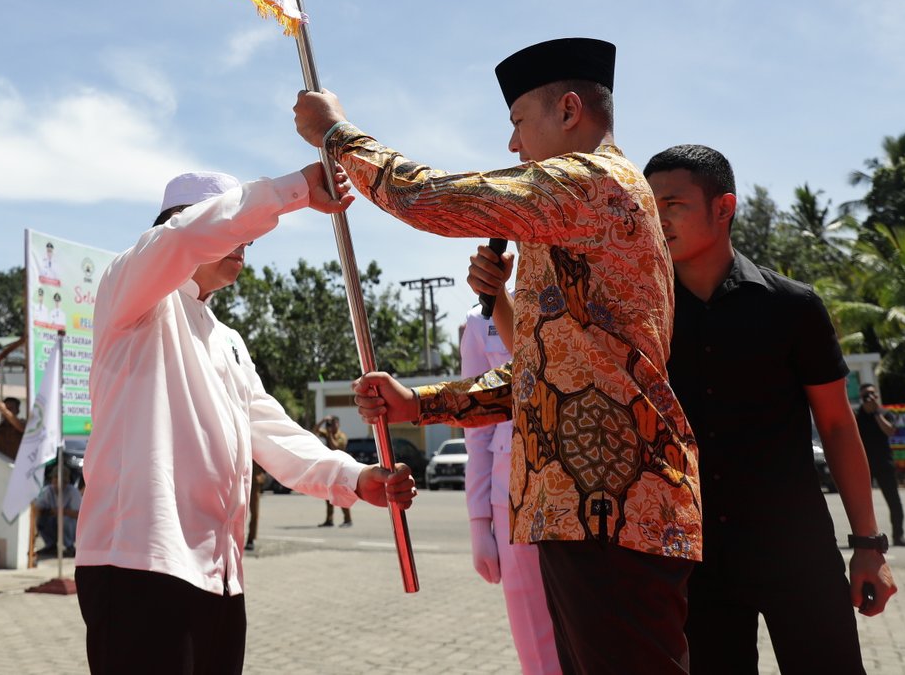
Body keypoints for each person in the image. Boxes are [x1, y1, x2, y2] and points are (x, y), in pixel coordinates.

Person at [298, 37, 702, 675]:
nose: (513, 145)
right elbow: (545, 377)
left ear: (569, 110)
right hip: (584, 514)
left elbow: (435, 199)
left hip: (614, 511)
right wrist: (421, 403)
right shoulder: (576, 210)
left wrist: (339, 137)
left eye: (518, 122)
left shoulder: (593, 182)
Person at [74, 166, 416, 675]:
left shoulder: (227, 339)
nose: (245, 241)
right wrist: (295, 189)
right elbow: (185, 238)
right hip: (139, 563)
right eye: (234, 229)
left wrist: (353, 478)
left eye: (247, 236)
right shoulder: (133, 294)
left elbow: (271, 432)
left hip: (220, 573)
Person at [645, 145, 896, 673]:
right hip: (695, 559)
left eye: (674, 203)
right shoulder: (644, 319)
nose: (658, 217)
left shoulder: (793, 306)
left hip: (796, 551)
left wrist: (869, 545)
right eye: (651, 204)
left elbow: (836, 426)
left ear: (724, 207)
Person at [459, 297, 560, 675]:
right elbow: (477, 425)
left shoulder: (576, 290)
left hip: (577, 491)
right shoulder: (479, 319)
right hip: (509, 499)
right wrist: (478, 522)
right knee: (535, 645)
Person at [856, 384, 905, 547]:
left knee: (894, 501)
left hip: (884, 463)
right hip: (864, 465)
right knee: (862, 504)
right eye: (865, 396)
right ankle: (864, 537)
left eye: (871, 394)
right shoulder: (857, 416)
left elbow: (890, 431)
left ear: (877, 395)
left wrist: (876, 413)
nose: (869, 398)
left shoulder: (886, 413)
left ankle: (898, 535)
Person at [34, 461, 81, 557]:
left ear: (66, 482)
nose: (56, 483)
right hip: (53, 522)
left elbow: (78, 514)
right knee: (42, 520)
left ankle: (69, 546)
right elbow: (38, 508)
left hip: (71, 525)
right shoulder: (48, 491)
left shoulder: (73, 492)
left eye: (59, 480)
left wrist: (62, 512)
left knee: (64, 520)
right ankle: (50, 545)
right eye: (54, 479)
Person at [313, 417, 352, 527]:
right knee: (328, 495)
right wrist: (323, 420)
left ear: (338, 425)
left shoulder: (342, 436)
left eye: (334, 424)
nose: (332, 426)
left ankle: (348, 519)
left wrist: (329, 435)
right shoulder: (327, 432)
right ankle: (329, 520)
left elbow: (336, 447)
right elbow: (314, 430)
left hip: (340, 468)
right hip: (329, 468)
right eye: (331, 424)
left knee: (341, 494)